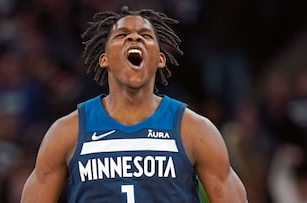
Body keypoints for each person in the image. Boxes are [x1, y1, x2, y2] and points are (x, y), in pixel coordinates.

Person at [20, 6, 248, 203]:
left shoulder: (195, 130)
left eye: (145, 35)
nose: (134, 38)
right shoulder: (67, 132)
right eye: (122, 35)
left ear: (160, 59)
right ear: (104, 58)